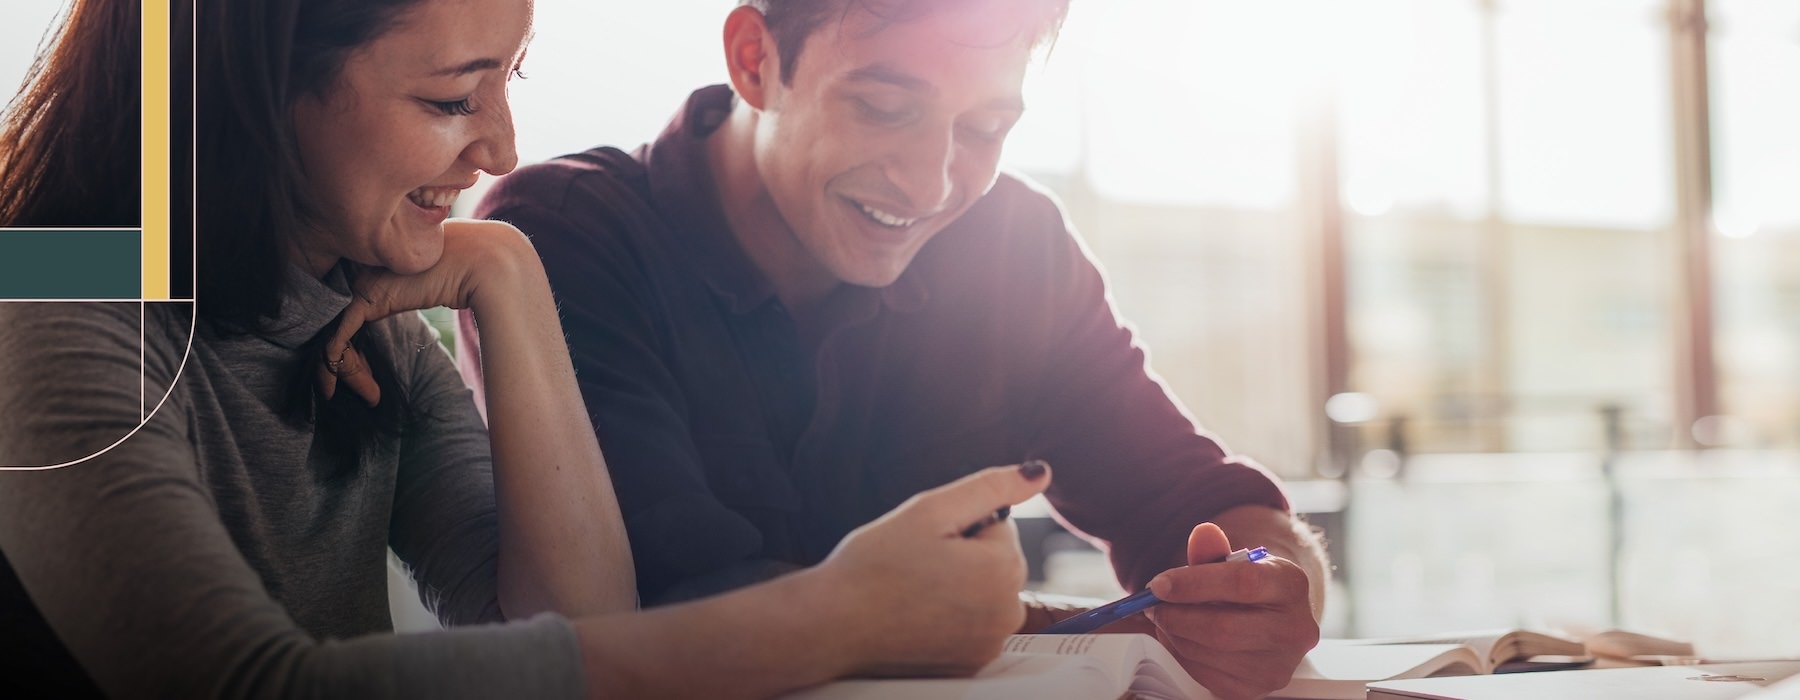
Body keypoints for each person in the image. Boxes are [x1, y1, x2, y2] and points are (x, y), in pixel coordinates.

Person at [0, 0, 1044, 697]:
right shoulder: (46, 294)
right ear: (261, 91)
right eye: (453, 98)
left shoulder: (366, 320)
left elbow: (570, 620)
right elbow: (252, 686)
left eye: (511, 81)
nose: (502, 146)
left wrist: (509, 274)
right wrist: (835, 617)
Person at [457, 1, 1330, 697]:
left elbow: (1193, 495)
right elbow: (660, 607)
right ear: (755, 60)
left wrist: (1271, 589)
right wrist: (1062, 620)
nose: (934, 181)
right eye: (883, 108)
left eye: (986, 128)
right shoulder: (564, 239)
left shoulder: (1013, 245)